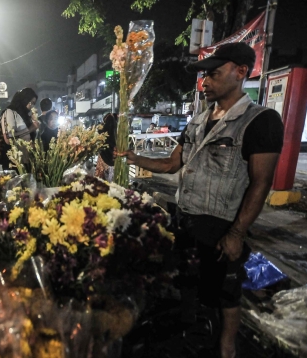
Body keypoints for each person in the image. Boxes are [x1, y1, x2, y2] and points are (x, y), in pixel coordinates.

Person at [116, 42, 284, 358]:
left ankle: (226, 348)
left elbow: (261, 183)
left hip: (224, 225)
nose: (204, 83)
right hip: (187, 218)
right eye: (203, 76)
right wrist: (131, 156)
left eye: (213, 74)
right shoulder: (196, 121)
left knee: (226, 293)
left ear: (240, 72)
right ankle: (193, 332)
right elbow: (171, 164)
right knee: (190, 282)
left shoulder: (261, 121)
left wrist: (236, 233)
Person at [0, 88, 39, 169]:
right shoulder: (10, 112)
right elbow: (8, 138)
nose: (31, 105)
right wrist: (30, 129)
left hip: (28, 160)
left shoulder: (26, 116)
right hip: (15, 162)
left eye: (33, 103)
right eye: (30, 102)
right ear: (24, 99)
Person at [95, 113, 117, 181]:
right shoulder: (115, 130)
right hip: (113, 156)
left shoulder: (103, 132)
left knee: (101, 178)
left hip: (104, 155)